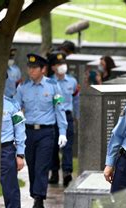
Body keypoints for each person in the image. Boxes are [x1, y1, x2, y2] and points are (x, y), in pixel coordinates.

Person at [14, 54, 68, 208]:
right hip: (28, 132)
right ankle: (35, 195)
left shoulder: (53, 86)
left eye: (34, 68)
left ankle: (39, 201)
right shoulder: (22, 87)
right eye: (29, 67)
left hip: (46, 132)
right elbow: (16, 110)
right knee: (32, 166)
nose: (31, 71)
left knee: (42, 166)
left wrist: (63, 132)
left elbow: (59, 109)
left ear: (43, 69)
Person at [47, 51, 79, 187]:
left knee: (67, 146)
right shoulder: (49, 82)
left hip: (67, 116)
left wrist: (77, 116)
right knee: (53, 146)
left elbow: (76, 99)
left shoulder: (72, 81)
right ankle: (54, 171)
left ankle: (67, 172)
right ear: (53, 67)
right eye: (59, 64)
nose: (62, 66)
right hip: (53, 117)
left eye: (63, 63)